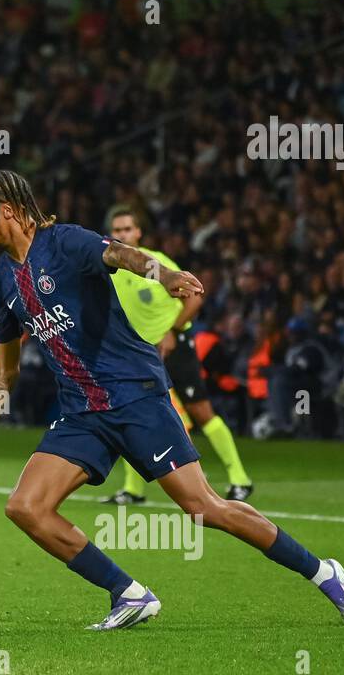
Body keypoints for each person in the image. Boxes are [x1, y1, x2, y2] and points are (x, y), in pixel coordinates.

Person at [0, 170, 344, 630]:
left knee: (204, 508)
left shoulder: (65, 243)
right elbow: (4, 370)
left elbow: (122, 254)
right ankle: (129, 595)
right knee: (25, 507)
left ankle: (324, 573)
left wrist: (165, 274)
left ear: (7, 210)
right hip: (82, 414)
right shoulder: (2, 280)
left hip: (136, 395)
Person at [100, 206, 253, 503]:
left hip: (175, 342)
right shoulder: (110, 269)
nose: (122, 235)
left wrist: (173, 330)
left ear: (139, 232)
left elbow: (195, 295)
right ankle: (133, 490)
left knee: (200, 411)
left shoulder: (154, 263)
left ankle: (240, 479)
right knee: (130, 412)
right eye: (117, 231)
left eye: (127, 229)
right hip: (142, 351)